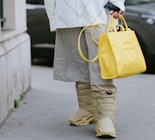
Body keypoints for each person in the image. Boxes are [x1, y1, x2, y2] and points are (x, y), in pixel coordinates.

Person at [44, 0, 125, 138]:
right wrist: (53, 17)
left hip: (98, 11)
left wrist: (116, 4)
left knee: (101, 64)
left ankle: (105, 117)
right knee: (77, 63)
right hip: (66, 15)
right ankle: (87, 108)